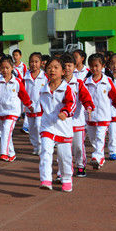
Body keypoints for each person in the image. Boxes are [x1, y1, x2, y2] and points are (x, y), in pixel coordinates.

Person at [37, 57, 75, 192]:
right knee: (45, 152)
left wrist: (65, 112)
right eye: (49, 67)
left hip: (63, 128)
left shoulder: (67, 88)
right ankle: (46, 179)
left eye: (55, 67)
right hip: (47, 126)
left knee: (64, 157)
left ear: (63, 72)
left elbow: (72, 103)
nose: (52, 70)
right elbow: (41, 107)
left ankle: (66, 178)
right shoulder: (43, 89)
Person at [0, 56, 33, 162]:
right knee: (6, 133)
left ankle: (4, 153)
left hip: (13, 111)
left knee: (6, 130)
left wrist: (29, 105)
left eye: (7, 68)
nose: (5, 70)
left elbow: (23, 95)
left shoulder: (17, 82)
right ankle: (12, 154)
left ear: (12, 68)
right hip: (2, 111)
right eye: (2, 68)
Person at [83, 54, 116, 170]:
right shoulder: (86, 82)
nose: (94, 69)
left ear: (103, 66)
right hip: (90, 116)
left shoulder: (107, 81)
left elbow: (114, 95)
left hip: (104, 115)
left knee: (100, 137)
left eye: (97, 66)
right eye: (92, 66)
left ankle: (97, 156)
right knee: (93, 138)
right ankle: (99, 156)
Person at [62, 53, 95, 178]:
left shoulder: (78, 83)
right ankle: (64, 170)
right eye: (64, 66)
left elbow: (86, 98)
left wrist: (89, 107)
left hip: (77, 121)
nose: (67, 69)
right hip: (63, 122)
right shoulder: (57, 83)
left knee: (78, 147)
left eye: (70, 66)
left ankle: (80, 166)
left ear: (74, 67)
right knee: (64, 148)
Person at [23, 52, 47, 155]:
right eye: (31, 62)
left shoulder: (45, 76)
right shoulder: (25, 77)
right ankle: (36, 146)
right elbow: (23, 92)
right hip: (29, 107)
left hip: (41, 107)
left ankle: (42, 145)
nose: (34, 64)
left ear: (41, 63)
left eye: (36, 62)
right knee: (32, 128)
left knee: (38, 126)